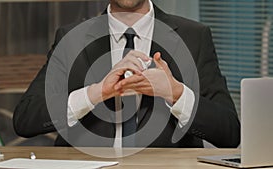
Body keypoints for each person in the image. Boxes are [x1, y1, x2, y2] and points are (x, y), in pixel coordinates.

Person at [13, 0, 240, 148]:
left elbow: (229, 134)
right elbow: (25, 119)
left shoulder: (194, 37)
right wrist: (95, 93)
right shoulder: (70, 38)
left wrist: (176, 93)